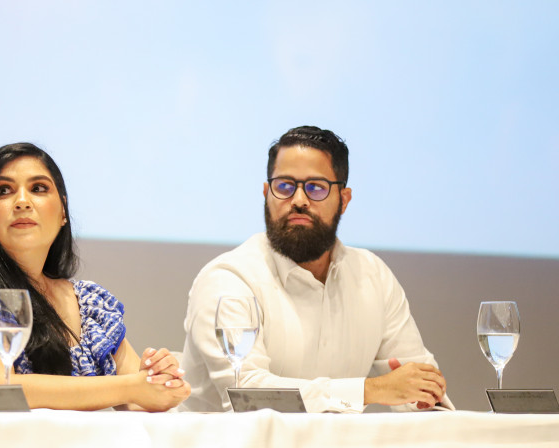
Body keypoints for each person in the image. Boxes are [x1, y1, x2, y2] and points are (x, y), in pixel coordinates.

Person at [0, 142, 190, 412]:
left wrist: (159, 380)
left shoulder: (88, 303)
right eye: (3, 191)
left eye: (39, 188)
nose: (22, 202)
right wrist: (132, 387)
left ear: (63, 212)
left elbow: (136, 398)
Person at [180, 126, 452, 413]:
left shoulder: (373, 276)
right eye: (284, 186)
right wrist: (370, 390)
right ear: (266, 194)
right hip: (234, 443)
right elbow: (247, 395)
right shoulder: (228, 280)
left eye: (316, 188)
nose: (299, 200)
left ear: (344, 200)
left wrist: (422, 396)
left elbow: (419, 386)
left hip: (336, 444)